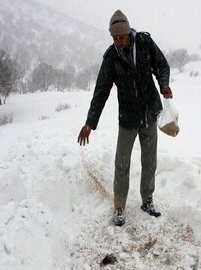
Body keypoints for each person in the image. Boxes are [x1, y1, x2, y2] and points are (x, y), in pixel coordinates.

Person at [77, 9, 173, 226]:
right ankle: (119, 206)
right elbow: (101, 91)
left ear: (128, 32)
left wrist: (164, 83)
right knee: (122, 164)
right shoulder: (111, 57)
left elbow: (161, 65)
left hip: (149, 113)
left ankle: (147, 201)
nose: (118, 41)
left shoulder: (146, 43)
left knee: (149, 161)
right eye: (114, 37)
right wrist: (90, 123)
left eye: (120, 36)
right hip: (127, 118)